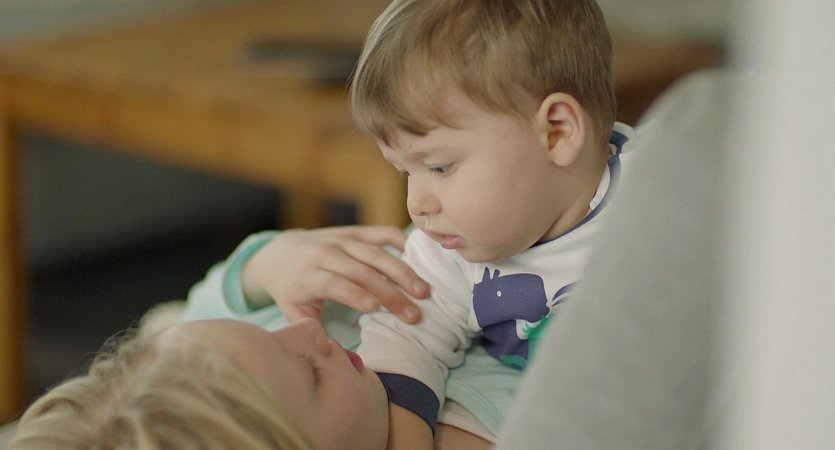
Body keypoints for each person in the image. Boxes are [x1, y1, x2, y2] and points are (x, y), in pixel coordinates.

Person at [346, 0, 633, 443]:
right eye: (405, 172)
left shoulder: (664, 196)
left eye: (439, 167)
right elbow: (402, 343)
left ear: (557, 133)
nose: (416, 205)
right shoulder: (445, 250)